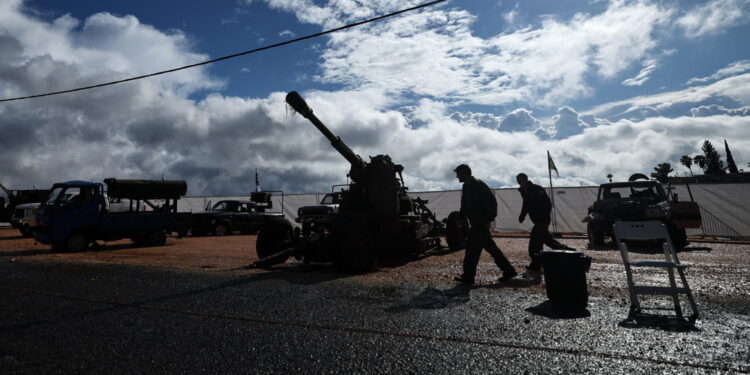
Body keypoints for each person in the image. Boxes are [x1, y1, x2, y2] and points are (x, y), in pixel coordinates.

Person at [453, 164, 517, 284]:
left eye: (458, 174)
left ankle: (468, 276)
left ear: (464, 173)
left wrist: (488, 219)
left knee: (472, 251)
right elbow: (465, 203)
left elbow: (492, 202)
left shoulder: (478, 185)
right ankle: (509, 270)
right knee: (492, 249)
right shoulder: (466, 186)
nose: (457, 177)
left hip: (480, 223)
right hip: (477, 223)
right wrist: (461, 216)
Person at [516, 173, 575, 276]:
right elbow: (526, 204)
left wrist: (544, 219)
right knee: (549, 241)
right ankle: (570, 253)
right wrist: (522, 216)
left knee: (534, 244)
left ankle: (536, 264)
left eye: (521, 180)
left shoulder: (537, 189)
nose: (519, 183)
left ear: (526, 179)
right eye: (518, 181)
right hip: (537, 221)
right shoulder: (523, 191)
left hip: (542, 221)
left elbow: (547, 204)